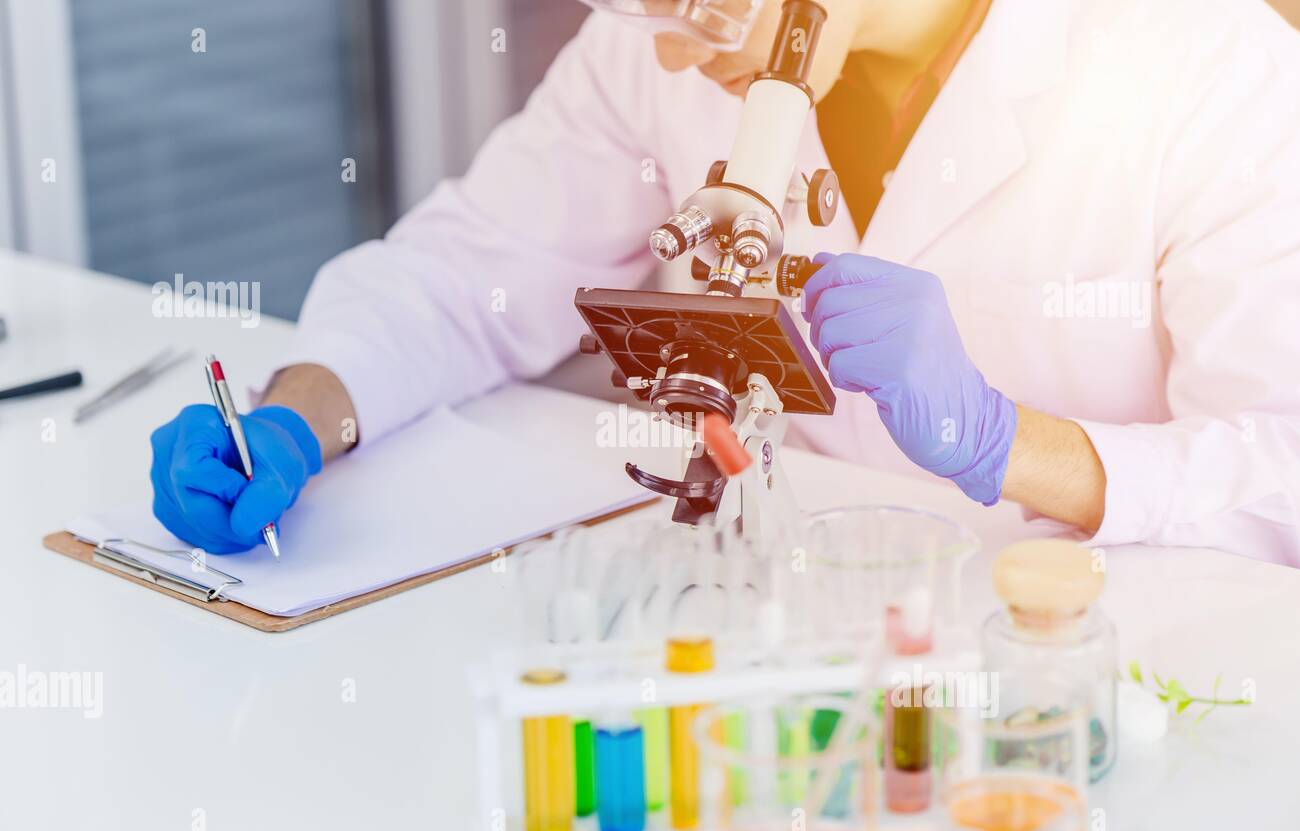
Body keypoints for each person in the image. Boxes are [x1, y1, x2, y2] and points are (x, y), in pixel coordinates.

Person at [150, 0, 1300, 566]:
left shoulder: (1200, 63)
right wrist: (297, 412)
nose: (666, 52)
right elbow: (467, 273)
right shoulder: (669, 43)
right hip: (793, 632)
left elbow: (1280, 468)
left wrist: (1014, 443)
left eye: (699, 5)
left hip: (1091, 662)